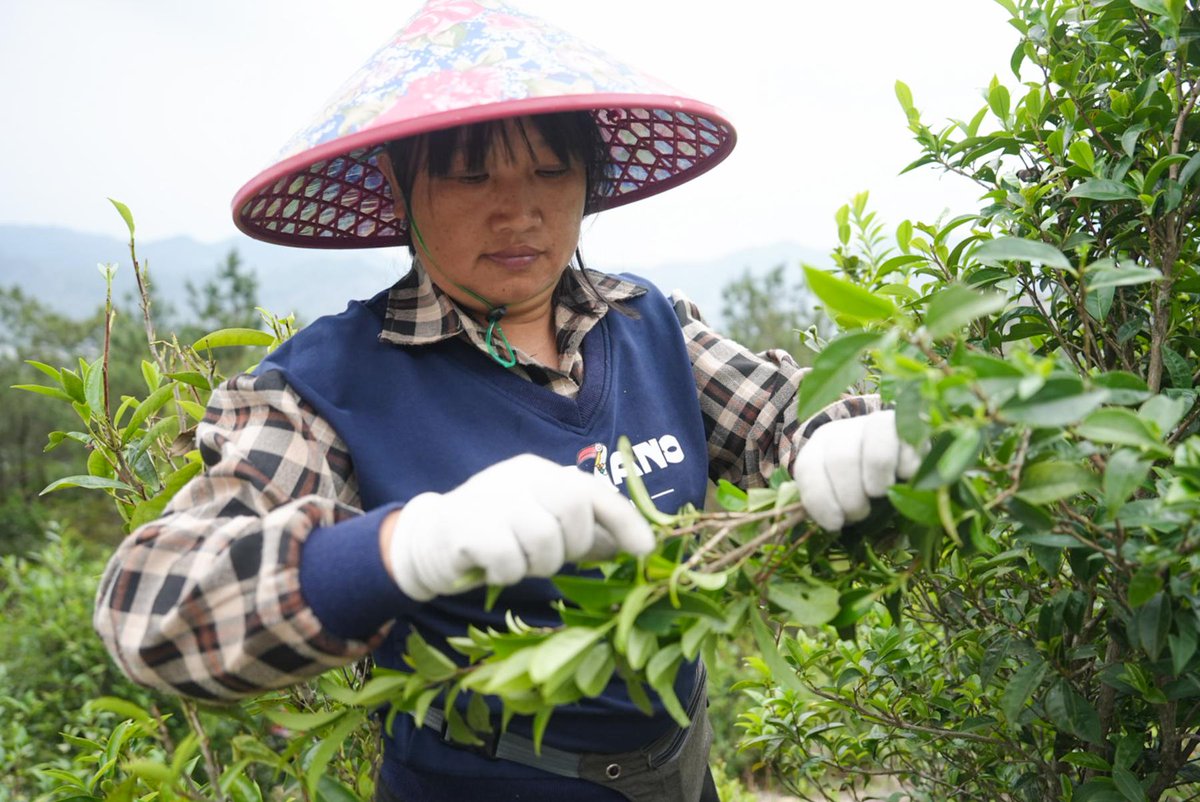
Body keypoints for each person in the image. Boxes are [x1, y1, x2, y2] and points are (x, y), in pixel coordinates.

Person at [93, 2, 919, 801]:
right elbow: (154, 610)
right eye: (468, 173)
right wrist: (406, 546)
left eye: (551, 169)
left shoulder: (649, 328)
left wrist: (846, 439)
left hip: (677, 765)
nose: (518, 209)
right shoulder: (325, 388)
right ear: (399, 183)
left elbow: (789, 415)